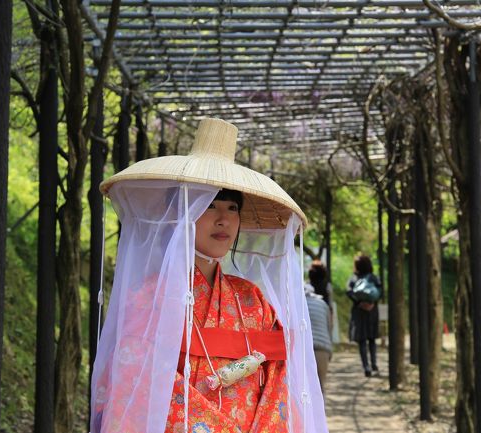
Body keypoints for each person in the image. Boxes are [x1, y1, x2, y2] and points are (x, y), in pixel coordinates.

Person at [90, 118, 328, 433]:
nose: (223, 220)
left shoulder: (253, 299)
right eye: (210, 206)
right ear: (184, 213)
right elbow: (135, 381)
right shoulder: (149, 297)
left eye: (232, 209)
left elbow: (278, 379)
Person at [346, 254, 383, 377]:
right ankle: (374, 363)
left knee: (362, 340)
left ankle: (366, 366)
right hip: (372, 311)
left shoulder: (353, 278)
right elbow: (380, 291)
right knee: (372, 338)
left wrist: (359, 303)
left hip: (359, 311)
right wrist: (372, 303)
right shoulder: (373, 277)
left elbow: (349, 291)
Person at [304, 281, 332, 394]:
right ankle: (320, 411)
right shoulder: (323, 304)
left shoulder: (298, 304)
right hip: (322, 348)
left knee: (304, 386)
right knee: (320, 387)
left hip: (304, 349)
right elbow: (329, 327)